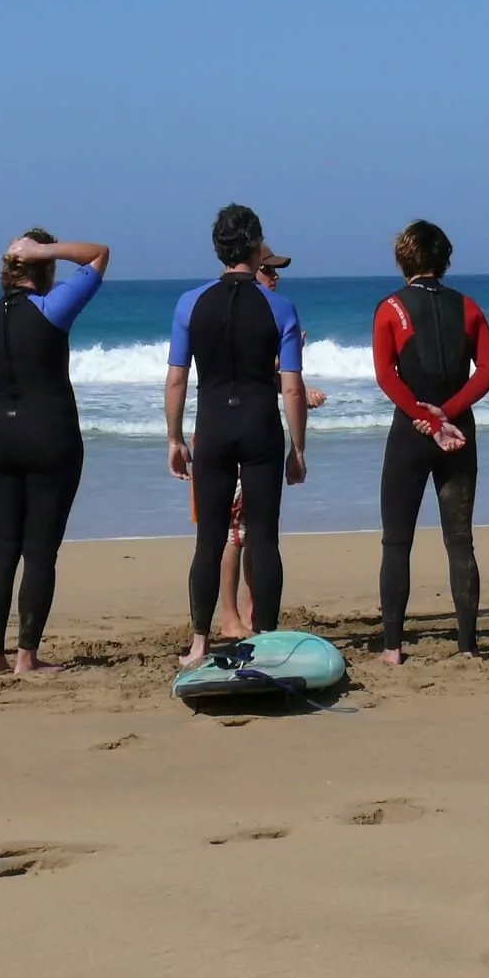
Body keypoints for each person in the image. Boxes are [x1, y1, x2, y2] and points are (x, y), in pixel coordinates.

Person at [0, 229, 110, 673]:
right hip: (49, 436)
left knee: (2, 547)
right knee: (40, 550)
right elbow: (99, 255)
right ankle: (27, 656)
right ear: (44, 267)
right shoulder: (52, 308)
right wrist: (45, 250)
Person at [167, 205, 309, 665]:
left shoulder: (190, 303)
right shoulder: (279, 307)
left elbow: (176, 379)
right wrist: (298, 448)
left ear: (218, 247)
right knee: (264, 538)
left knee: (208, 540)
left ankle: (199, 644)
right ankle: (265, 639)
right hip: (259, 426)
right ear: (255, 246)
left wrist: (174, 439)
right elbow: (291, 386)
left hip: (212, 427)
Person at [372, 221, 489, 663]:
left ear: (403, 259)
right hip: (458, 432)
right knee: (460, 540)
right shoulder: (468, 307)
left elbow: (387, 375)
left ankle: (393, 648)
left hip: (411, 433)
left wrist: (425, 416)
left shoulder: (390, 307)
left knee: (396, 542)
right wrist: (448, 412)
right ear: (444, 259)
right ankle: (467, 646)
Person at [214, 253, 326, 638]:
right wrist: (289, 380)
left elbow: (263, 379)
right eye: (267, 270)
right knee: (236, 532)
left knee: (251, 531)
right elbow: (242, 376)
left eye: (276, 272)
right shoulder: (236, 313)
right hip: (235, 432)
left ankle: (249, 611)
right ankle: (230, 616)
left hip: (243, 429)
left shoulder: (266, 314)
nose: (274, 277)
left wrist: (293, 385)